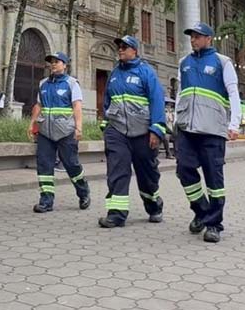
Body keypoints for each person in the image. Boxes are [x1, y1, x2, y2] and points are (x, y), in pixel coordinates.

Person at [173, 23, 241, 244]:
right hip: (187, 128)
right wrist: (175, 120)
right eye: (191, 36)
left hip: (213, 129)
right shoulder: (184, 63)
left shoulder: (222, 62)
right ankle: (202, 211)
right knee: (184, 170)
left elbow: (233, 93)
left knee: (213, 177)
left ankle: (213, 224)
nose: (193, 40)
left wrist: (234, 124)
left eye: (198, 36)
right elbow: (180, 93)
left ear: (209, 38)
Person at [98, 35, 166, 228]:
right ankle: (116, 214)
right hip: (117, 132)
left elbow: (157, 100)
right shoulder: (114, 74)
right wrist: (106, 125)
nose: (120, 49)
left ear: (134, 51)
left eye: (124, 47)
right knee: (117, 171)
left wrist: (156, 129)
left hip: (143, 133)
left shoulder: (146, 72)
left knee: (147, 175)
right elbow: (107, 101)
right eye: (119, 47)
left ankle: (154, 206)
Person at [29, 52, 91, 213]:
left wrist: (79, 128)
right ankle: (46, 201)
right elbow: (38, 105)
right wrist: (32, 123)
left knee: (71, 165)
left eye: (57, 61)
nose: (53, 64)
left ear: (65, 65)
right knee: (44, 167)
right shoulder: (43, 83)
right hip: (45, 132)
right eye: (51, 62)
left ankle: (84, 193)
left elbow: (77, 106)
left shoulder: (72, 84)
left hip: (66, 132)